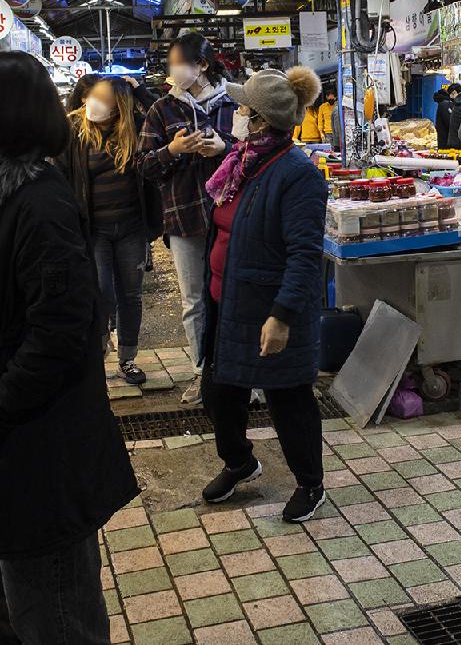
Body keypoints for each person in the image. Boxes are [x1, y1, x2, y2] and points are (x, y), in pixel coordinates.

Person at [0, 51, 137, 644]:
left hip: (35, 446)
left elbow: (65, 327)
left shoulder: (39, 204)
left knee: (54, 610)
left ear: (6, 115)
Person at [200, 66, 328, 523]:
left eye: (241, 109)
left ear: (258, 120)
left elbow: (304, 255)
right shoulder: (241, 163)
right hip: (226, 301)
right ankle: (240, 463)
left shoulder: (298, 175)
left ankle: (310, 484)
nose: (234, 114)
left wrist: (282, 315)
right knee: (219, 393)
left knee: (287, 398)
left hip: (268, 307)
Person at [138, 33, 236, 377]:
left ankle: (237, 371)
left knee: (232, 296)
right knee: (194, 301)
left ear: (203, 65)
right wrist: (173, 151)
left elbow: (255, 150)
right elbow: (144, 166)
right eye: (172, 64)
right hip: (184, 216)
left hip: (231, 216)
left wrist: (225, 149)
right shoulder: (161, 109)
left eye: (180, 62)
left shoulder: (235, 102)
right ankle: (202, 373)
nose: (174, 70)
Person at [57, 76, 162, 385]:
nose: (94, 102)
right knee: (100, 292)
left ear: (119, 105)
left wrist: (140, 89)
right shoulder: (73, 128)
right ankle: (98, 350)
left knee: (131, 294)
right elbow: (60, 174)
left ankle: (127, 359)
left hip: (132, 226)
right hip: (93, 229)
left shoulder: (138, 126)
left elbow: (160, 109)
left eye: (103, 97)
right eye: (93, 96)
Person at [435, 84, 461, 148]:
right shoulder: (445, 105)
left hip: (445, 142)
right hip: (446, 143)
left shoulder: (444, 104)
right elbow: (450, 123)